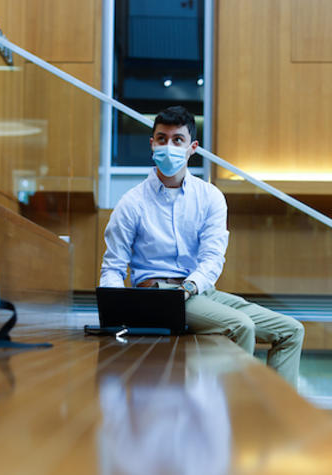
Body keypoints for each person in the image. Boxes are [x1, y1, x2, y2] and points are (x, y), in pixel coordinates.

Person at [99, 105, 305, 387]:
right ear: (152, 143)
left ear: (192, 147)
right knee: (240, 326)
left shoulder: (210, 197)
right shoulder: (131, 203)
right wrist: (116, 311)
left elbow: (212, 258)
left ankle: (281, 417)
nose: (168, 146)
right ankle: (227, 412)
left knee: (291, 331)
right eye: (162, 139)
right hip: (157, 294)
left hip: (198, 289)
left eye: (177, 140)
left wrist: (190, 287)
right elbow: (113, 266)